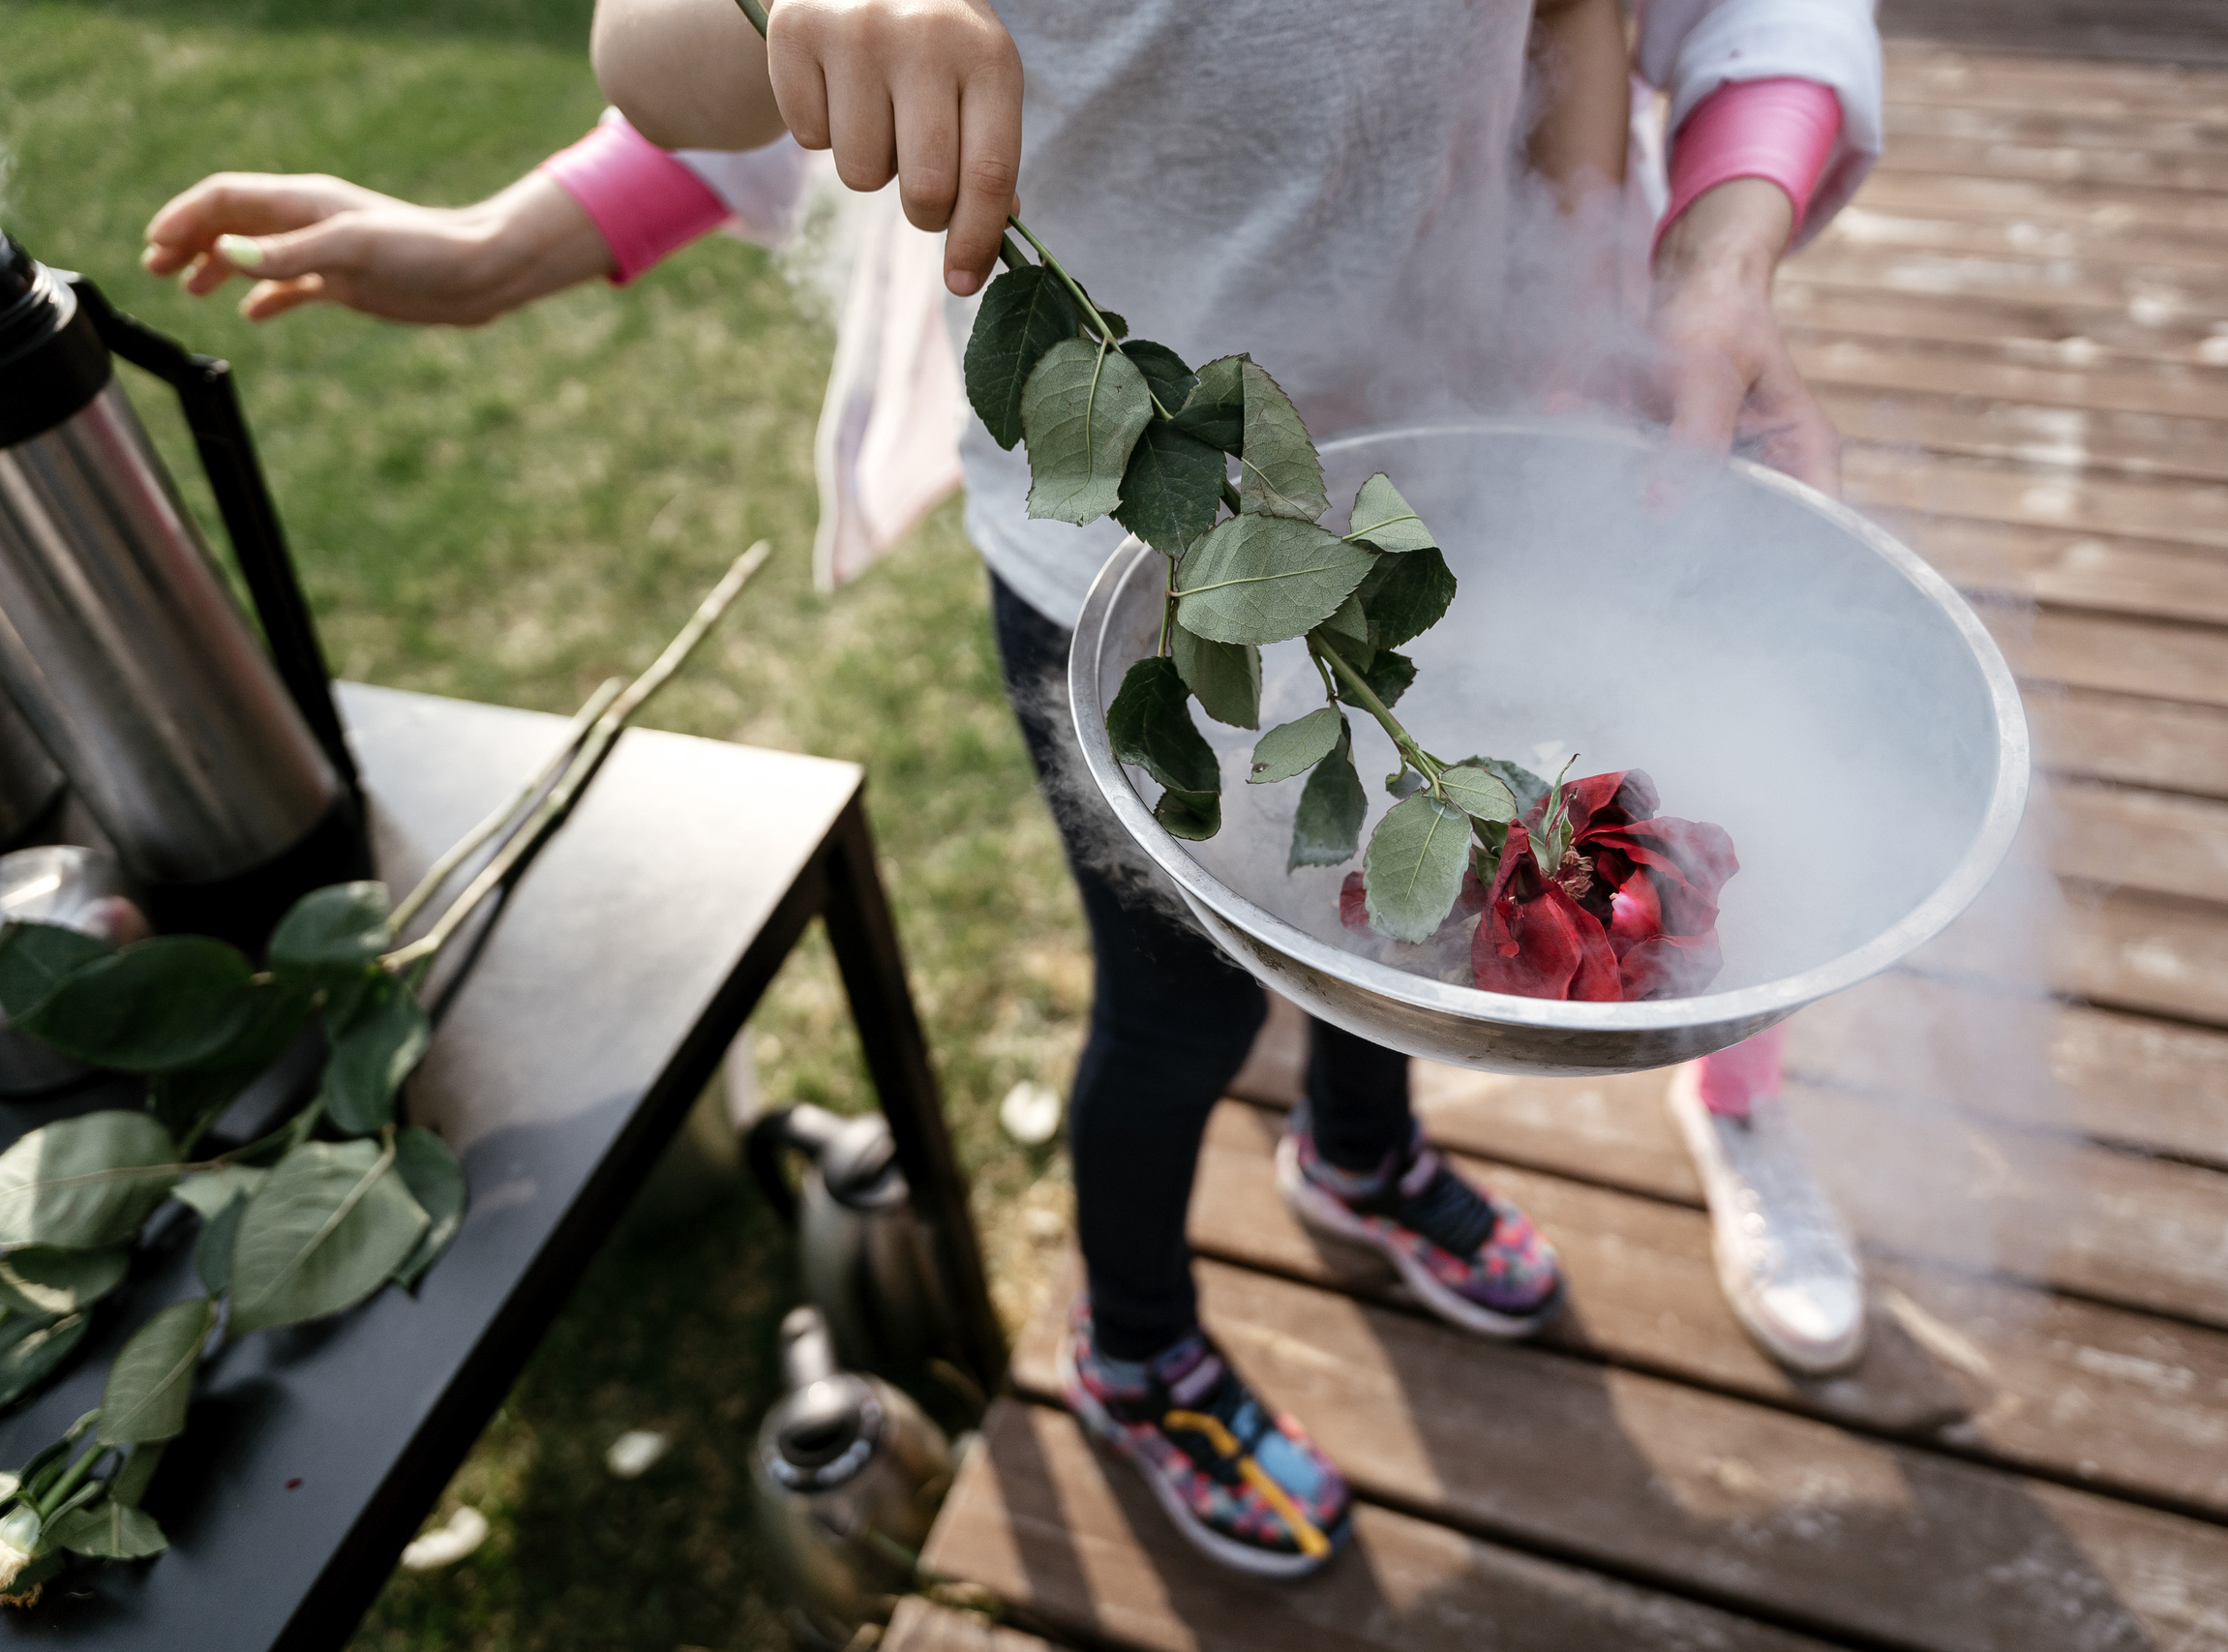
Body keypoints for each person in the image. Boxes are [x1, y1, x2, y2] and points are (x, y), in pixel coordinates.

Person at [144, 0, 1882, 1579]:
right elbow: (665, 53)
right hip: (1134, 568)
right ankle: (1132, 1343)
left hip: (1439, 491)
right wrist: (535, 217)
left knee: (1409, 871)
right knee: (1183, 1005)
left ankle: (1358, 1155)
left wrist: (1598, 308)